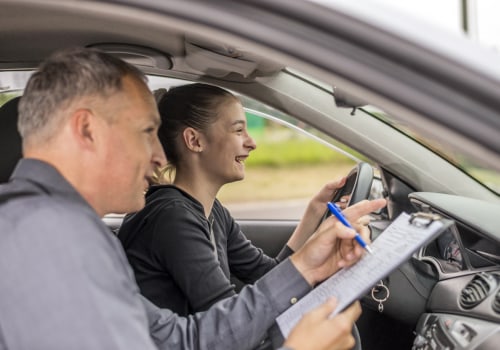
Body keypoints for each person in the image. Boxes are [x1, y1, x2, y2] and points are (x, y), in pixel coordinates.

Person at [0, 47, 386, 350]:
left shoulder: (69, 232)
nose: (158, 155)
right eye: (146, 132)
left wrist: (305, 266)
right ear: (87, 130)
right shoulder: (39, 241)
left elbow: (185, 341)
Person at [118, 83, 352, 316]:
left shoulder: (213, 212)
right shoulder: (172, 217)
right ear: (194, 141)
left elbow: (268, 276)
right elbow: (230, 318)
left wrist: (314, 212)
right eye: (239, 131)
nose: (252, 142)